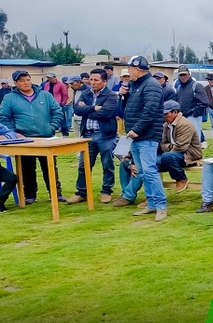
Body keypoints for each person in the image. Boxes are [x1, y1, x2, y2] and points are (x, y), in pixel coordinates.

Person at [0, 69, 66, 204]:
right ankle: (30, 195)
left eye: (28, 79)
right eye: (22, 81)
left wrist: (52, 127)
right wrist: (13, 133)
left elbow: (57, 111)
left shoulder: (45, 95)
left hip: (46, 138)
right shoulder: (9, 98)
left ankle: (55, 193)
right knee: (27, 168)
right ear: (16, 83)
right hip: (24, 139)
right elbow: (3, 118)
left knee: (50, 167)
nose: (26, 83)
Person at [121, 55, 167, 222]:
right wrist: (124, 96)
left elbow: (150, 110)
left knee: (150, 171)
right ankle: (152, 203)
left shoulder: (151, 85)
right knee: (143, 172)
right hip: (136, 136)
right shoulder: (135, 85)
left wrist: (137, 129)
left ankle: (161, 206)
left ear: (138, 70)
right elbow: (131, 109)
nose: (128, 73)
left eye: (130, 69)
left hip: (146, 136)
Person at [67, 68, 119, 205]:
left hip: (105, 135)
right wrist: (94, 107)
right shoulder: (86, 93)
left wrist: (87, 109)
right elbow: (77, 110)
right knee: (83, 165)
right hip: (88, 135)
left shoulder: (111, 95)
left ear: (104, 81)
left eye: (96, 80)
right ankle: (81, 192)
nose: (92, 83)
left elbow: (106, 113)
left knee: (107, 164)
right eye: (91, 79)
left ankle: (106, 191)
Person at [156, 100, 202, 194]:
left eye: (166, 113)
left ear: (175, 112)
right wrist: (170, 146)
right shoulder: (166, 125)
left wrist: (168, 148)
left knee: (166, 157)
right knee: (152, 163)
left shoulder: (184, 124)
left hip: (190, 155)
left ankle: (181, 178)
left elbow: (181, 147)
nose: (164, 116)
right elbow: (162, 143)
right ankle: (154, 195)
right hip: (174, 154)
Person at [176, 65, 209, 148]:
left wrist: (194, 113)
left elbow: (204, 102)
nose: (183, 77)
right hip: (182, 117)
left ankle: (197, 158)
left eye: (185, 74)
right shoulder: (179, 87)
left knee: (195, 140)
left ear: (189, 74)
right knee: (184, 140)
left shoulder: (196, 86)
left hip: (193, 117)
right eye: (181, 75)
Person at [43, 72, 69, 136]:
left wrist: (63, 102)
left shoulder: (61, 84)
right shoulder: (46, 84)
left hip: (58, 103)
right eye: (48, 78)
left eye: (50, 77)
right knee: (50, 118)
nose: (49, 79)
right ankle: (52, 131)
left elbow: (65, 94)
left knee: (62, 118)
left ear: (54, 77)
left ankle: (64, 132)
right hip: (48, 104)